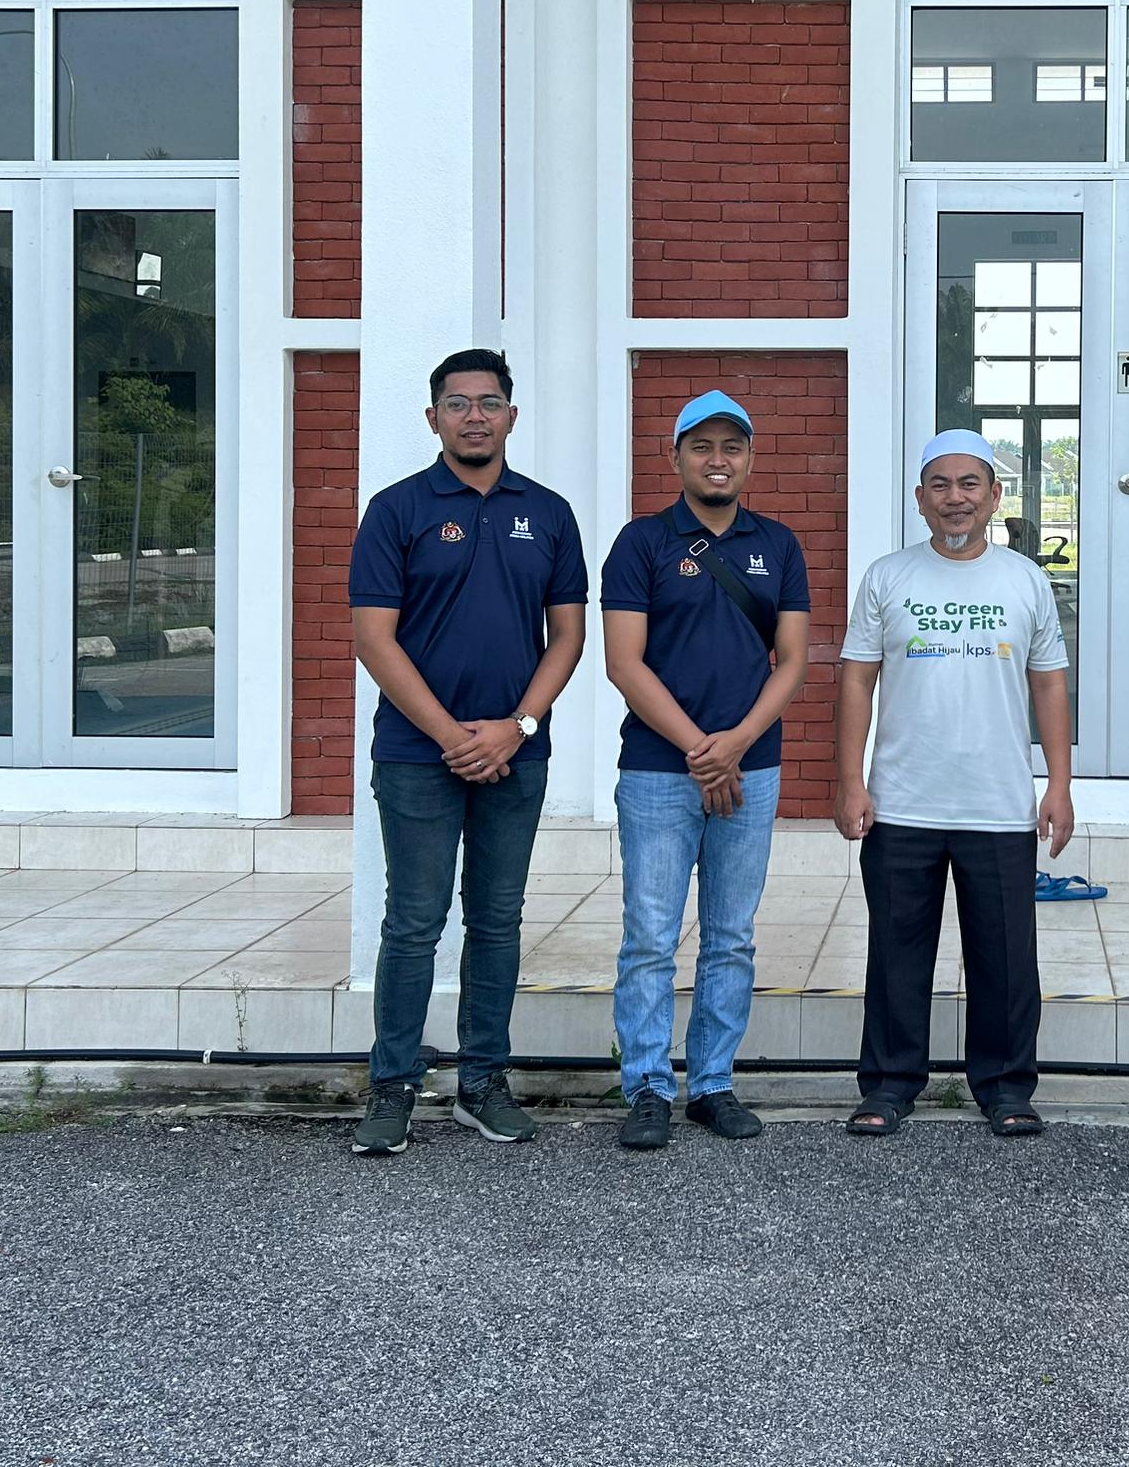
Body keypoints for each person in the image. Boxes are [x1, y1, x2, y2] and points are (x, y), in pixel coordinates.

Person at [345, 348, 588, 1157]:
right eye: (458, 403)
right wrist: (453, 735)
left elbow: (569, 636)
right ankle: (392, 1088)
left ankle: (483, 1082)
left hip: (516, 754)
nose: (475, 415)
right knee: (414, 922)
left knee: (497, 919)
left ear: (512, 416)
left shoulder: (548, 513)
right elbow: (372, 638)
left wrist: (514, 726)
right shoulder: (395, 510)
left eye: (489, 402)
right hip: (418, 758)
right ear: (433, 418)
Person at [835, 428, 1074, 1138]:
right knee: (896, 953)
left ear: (995, 497)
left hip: (997, 802)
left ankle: (1005, 1087)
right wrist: (851, 780)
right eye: (940, 485)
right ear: (919, 499)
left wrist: (1057, 784)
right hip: (904, 798)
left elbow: (1050, 686)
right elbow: (855, 682)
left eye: (970, 484)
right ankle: (888, 1085)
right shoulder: (888, 576)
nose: (955, 498)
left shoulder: (1023, 579)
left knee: (1004, 959)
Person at [600, 391, 812, 1150]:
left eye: (732, 447)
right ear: (676, 457)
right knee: (652, 934)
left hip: (751, 771)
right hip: (660, 771)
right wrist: (702, 747)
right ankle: (649, 1086)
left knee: (731, 934)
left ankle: (713, 1083)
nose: (717, 460)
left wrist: (737, 744)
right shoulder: (642, 543)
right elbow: (624, 663)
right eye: (702, 446)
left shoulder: (778, 544)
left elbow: (792, 662)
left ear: (751, 458)